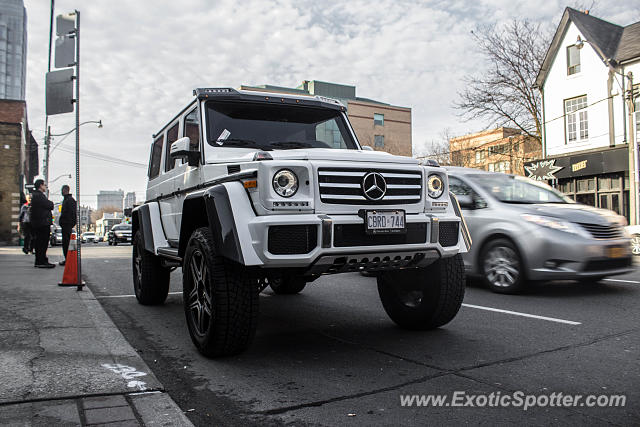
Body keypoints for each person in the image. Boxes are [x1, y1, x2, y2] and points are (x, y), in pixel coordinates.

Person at [30, 179, 55, 268]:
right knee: (42, 243)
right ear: (40, 185)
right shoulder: (39, 196)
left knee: (41, 242)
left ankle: (41, 260)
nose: (45, 187)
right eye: (44, 185)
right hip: (42, 223)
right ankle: (41, 261)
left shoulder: (37, 195)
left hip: (40, 222)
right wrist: (50, 203)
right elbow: (50, 205)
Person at [58, 184, 77, 266]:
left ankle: (69, 259)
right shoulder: (66, 200)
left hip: (67, 224)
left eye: (62, 190)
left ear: (65, 190)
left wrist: (70, 223)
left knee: (67, 243)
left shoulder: (70, 200)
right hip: (66, 224)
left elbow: (73, 214)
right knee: (66, 243)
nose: (61, 192)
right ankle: (68, 259)